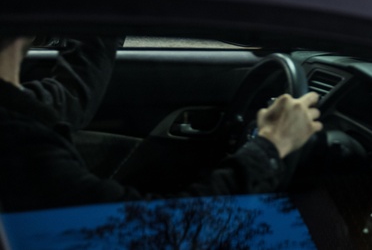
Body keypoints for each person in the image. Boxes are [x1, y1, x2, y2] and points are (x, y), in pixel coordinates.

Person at [0, 34, 323, 212]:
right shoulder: (21, 148)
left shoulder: (20, 113)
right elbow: (169, 230)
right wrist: (271, 146)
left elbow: (72, 95)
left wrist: (101, 2)